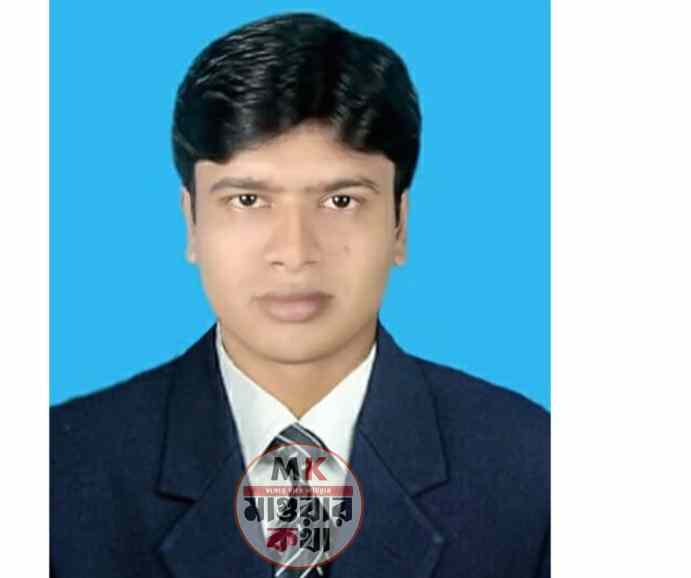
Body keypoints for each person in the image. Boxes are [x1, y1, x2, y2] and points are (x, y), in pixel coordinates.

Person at [51, 12, 549, 578]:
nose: (294, 252)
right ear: (192, 223)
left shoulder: (533, 468)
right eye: (247, 201)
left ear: (399, 224)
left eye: (341, 201)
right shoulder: (60, 473)